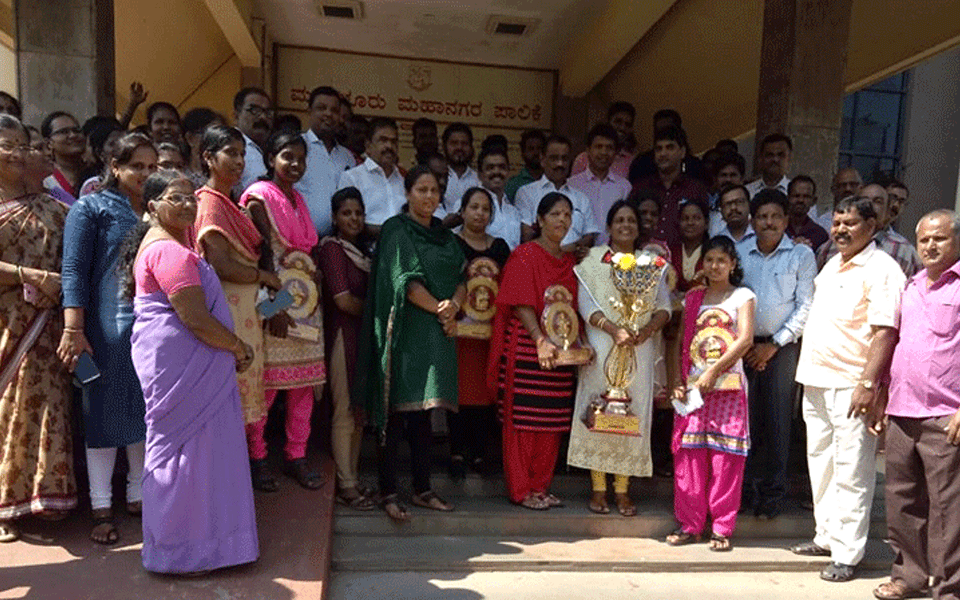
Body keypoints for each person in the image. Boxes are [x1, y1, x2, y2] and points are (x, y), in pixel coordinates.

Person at [119, 169, 258, 574]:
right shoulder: (169, 253)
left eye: (190, 198)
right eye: (174, 198)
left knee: (199, 457)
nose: (185, 205)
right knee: (183, 459)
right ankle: (182, 551)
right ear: (152, 207)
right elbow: (194, 317)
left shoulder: (168, 247)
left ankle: (204, 547)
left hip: (191, 365)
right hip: (185, 367)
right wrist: (237, 345)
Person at [792, 196, 904, 582]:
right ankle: (826, 537)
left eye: (850, 223)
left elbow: (885, 331)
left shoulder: (881, 269)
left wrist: (869, 384)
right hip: (817, 379)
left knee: (852, 470)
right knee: (820, 463)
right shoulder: (833, 264)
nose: (840, 230)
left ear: (871, 227)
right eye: (837, 222)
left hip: (851, 383)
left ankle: (848, 553)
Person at [59, 132, 158, 545]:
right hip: (95, 331)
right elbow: (73, 272)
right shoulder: (91, 207)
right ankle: (101, 505)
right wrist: (73, 329)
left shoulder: (156, 211)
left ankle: (138, 494)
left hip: (148, 329)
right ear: (114, 167)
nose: (146, 174)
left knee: (141, 406)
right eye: (137, 166)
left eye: (153, 168)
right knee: (98, 407)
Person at [352, 165, 466, 522]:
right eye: (422, 190)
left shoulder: (446, 237)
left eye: (434, 191)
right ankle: (389, 491)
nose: (429, 197)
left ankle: (422, 489)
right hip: (403, 334)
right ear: (407, 193)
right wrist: (441, 308)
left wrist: (456, 305)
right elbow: (405, 280)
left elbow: (463, 274)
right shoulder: (396, 229)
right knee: (396, 414)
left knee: (424, 416)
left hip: (436, 334)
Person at [875, 210, 960, 600]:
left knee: (947, 510)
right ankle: (909, 577)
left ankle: (949, 588)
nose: (930, 246)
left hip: (946, 413)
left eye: (939, 238)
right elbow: (897, 346)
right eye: (924, 239)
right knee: (901, 499)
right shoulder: (911, 286)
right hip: (902, 410)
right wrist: (882, 397)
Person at [192, 125, 282, 490]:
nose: (239, 160)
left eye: (243, 153)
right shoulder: (210, 202)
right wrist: (264, 276)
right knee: (230, 387)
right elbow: (220, 264)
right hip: (226, 304)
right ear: (208, 158)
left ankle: (240, 468)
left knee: (246, 385)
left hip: (247, 305)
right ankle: (224, 475)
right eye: (231, 152)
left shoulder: (234, 203)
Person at [568, 200, 671, 516]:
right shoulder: (594, 262)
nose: (625, 225)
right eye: (619, 220)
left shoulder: (651, 263)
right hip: (603, 345)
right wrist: (614, 330)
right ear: (609, 227)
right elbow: (586, 306)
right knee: (599, 408)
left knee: (632, 413)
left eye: (631, 220)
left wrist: (648, 329)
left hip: (640, 345)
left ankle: (623, 491)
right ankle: (599, 489)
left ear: (639, 228)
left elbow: (664, 307)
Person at [0, 115, 75, 543]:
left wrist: (58, 285)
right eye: (4, 144)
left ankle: (45, 495)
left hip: (48, 323)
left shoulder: (53, 207)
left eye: (19, 144)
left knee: (48, 404)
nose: (14, 151)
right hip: (7, 321)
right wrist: (32, 275)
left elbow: (76, 258)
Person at [241, 130, 325, 490]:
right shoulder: (258, 197)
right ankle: (257, 458)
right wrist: (273, 308)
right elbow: (262, 254)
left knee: (303, 385)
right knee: (268, 387)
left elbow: (306, 251)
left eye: (301, 159)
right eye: (287, 156)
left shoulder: (299, 200)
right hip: (274, 298)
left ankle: (297, 455)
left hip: (305, 300)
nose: (295, 164)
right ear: (270, 159)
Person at [488, 192, 582, 511]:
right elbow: (520, 302)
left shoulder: (571, 263)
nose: (561, 220)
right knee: (523, 422)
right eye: (555, 214)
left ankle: (541, 487)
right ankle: (521, 489)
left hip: (560, 352)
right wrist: (539, 339)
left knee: (551, 423)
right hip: (528, 348)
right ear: (540, 220)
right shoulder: (524, 255)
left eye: (567, 215)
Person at [667, 235, 755, 552]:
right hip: (694, 389)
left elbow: (744, 340)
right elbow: (678, 342)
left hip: (727, 388)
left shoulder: (742, 296)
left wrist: (713, 372)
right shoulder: (693, 299)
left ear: (733, 264)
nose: (715, 266)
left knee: (726, 458)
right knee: (689, 456)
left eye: (721, 260)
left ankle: (721, 528)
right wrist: (677, 379)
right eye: (709, 260)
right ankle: (690, 525)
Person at [738, 190, 815, 520]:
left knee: (777, 421)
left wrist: (775, 344)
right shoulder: (740, 253)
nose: (768, 222)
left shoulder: (800, 256)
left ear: (785, 220)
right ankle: (743, 491)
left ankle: (773, 493)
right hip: (742, 346)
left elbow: (806, 305)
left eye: (775, 216)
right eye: (762, 216)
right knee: (744, 421)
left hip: (783, 349)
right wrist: (747, 345)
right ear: (753, 221)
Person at [318, 187, 375, 510]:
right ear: (335, 218)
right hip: (342, 334)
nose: (353, 219)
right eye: (346, 213)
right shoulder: (332, 250)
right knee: (343, 409)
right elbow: (342, 299)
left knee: (360, 413)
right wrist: (376, 313)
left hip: (363, 336)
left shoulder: (364, 253)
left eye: (358, 213)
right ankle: (346, 484)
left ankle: (351, 476)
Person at [449, 187, 511, 478]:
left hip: (490, 332)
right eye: (473, 207)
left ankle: (480, 453)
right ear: (462, 211)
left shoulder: (499, 248)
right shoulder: (450, 243)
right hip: (457, 331)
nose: (479, 213)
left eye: (485, 209)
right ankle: (456, 452)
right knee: (457, 390)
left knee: (486, 391)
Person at [515, 135, 599, 255]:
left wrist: (571, 249)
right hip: (539, 261)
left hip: (573, 264)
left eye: (564, 159)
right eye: (554, 158)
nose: (560, 164)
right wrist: (557, 251)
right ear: (542, 160)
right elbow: (526, 234)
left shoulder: (581, 198)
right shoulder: (526, 193)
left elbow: (589, 236)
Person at [816, 184, 921, 277]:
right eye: (864, 200)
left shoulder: (904, 251)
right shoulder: (828, 249)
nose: (870, 205)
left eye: (877, 202)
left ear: (887, 209)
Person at [633, 125, 709, 247]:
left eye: (670, 147)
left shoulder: (695, 189)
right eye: (658, 149)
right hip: (644, 258)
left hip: (683, 259)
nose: (663, 153)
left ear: (682, 152)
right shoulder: (641, 188)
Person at [296, 86, 355, 234]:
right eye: (321, 108)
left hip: (337, 242)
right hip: (300, 240)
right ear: (309, 111)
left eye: (334, 110)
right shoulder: (296, 147)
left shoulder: (347, 156)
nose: (328, 114)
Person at [337, 117, 405, 236]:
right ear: (368, 146)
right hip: (366, 250)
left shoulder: (404, 180)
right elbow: (346, 223)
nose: (389, 146)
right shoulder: (352, 178)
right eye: (383, 140)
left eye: (394, 141)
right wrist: (390, 233)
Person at [568, 124, 632, 243]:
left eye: (609, 148)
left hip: (614, 256)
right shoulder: (572, 185)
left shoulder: (624, 187)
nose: (603, 152)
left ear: (616, 152)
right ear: (588, 150)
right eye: (598, 146)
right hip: (577, 254)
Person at [628, 109, 708, 186]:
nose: (665, 134)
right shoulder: (641, 163)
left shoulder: (695, 166)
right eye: (660, 131)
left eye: (669, 130)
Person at [571, 102, 637, 179]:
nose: (622, 128)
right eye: (618, 122)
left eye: (627, 124)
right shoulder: (583, 158)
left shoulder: (631, 161)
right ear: (609, 121)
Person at [477, 146, 522, 250]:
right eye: (490, 168)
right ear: (480, 174)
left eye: (502, 167)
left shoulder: (514, 211)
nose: (496, 172)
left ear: (508, 172)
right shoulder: (469, 205)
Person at [41, 111, 87, 201]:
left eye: (76, 131)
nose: (73, 135)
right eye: (64, 132)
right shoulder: (44, 180)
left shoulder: (96, 174)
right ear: (49, 143)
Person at [234, 87, 274, 190]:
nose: (263, 117)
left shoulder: (268, 149)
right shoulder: (230, 148)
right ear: (236, 114)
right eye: (254, 110)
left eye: (267, 112)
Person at [24, 126, 75, 206]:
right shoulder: (8, 204)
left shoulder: (59, 196)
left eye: (47, 146)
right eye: (39, 148)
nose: (48, 153)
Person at [669, 199, 710, 292]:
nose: (690, 223)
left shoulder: (713, 251)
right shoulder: (671, 252)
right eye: (685, 218)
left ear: (706, 223)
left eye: (696, 218)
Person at [78, 117, 124, 198]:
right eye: (112, 144)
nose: (120, 147)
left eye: (123, 141)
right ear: (100, 154)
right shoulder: (93, 186)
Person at [182, 107, 225, 187]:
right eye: (212, 134)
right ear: (190, 138)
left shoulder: (227, 174)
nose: (218, 139)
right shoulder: (181, 176)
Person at [442, 122, 480, 214]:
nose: (459, 147)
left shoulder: (479, 180)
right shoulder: (437, 177)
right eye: (454, 143)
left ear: (471, 147)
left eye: (464, 143)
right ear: (444, 147)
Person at [785, 175, 829, 251]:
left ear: (814, 201)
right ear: (788, 198)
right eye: (796, 196)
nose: (801, 200)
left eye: (806, 197)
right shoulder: (777, 230)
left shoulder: (820, 234)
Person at [707, 154, 746, 236]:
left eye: (733, 175)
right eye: (723, 175)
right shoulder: (707, 208)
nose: (728, 180)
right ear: (715, 179)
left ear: (742, 178)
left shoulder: (752, 207)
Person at [745, 134, 792, 198]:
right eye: (769, 155)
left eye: (780, 155)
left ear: (789, 158)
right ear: (760, 158)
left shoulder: (796, 193)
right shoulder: (747, 192)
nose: (775, 159)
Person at [505, 129, 545, 202]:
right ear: (523, 153)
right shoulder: (514, 184)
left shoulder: (551, 180)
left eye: (539, 148)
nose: (535, 153)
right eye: (531, 149)